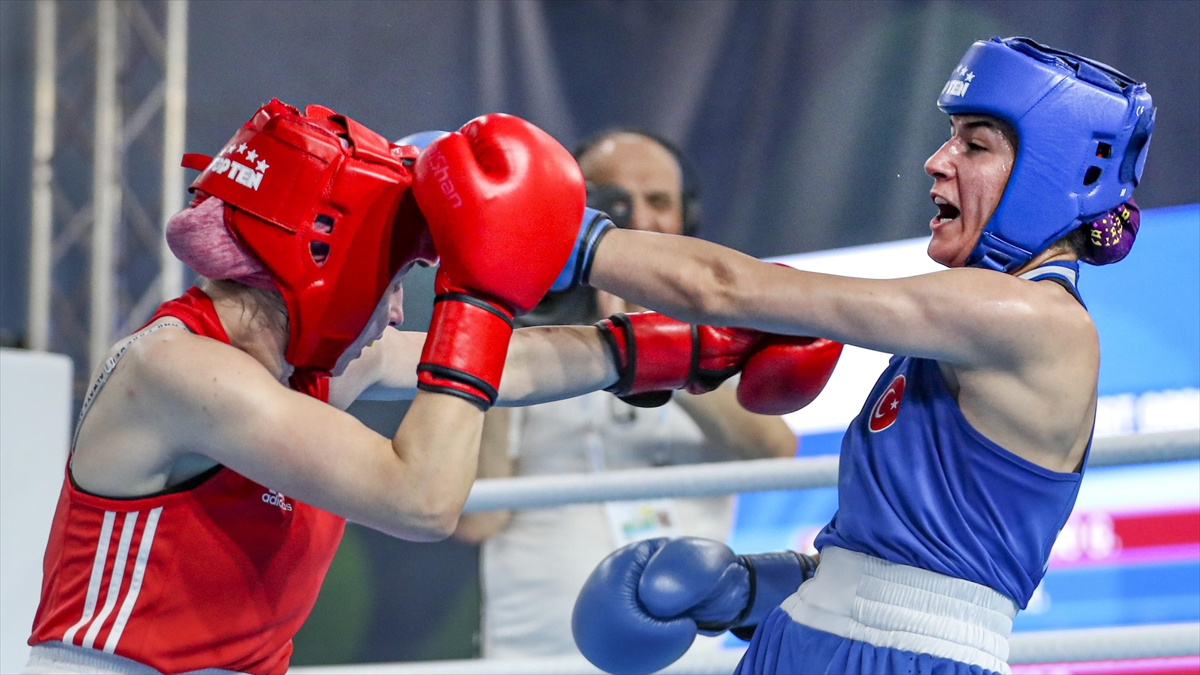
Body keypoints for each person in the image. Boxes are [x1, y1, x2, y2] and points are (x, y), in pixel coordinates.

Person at [563, 37, 1154, 675]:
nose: (936, 161)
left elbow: (728, 290)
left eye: (974, 145)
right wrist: (763, 587)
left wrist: (564, 238)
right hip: (805, 637)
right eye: (949, 136)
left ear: (1052, 173)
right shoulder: (967, 326)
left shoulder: (1033, 321)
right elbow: (903, 565)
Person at [23, 100, 590, 675]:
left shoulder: (310, 370)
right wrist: (478, 297)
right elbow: (422, 502)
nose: (397, 313)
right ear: (328, 260)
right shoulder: (179, 368)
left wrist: (663, 351)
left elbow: (511, 364)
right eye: (392, 281)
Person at [452, 130, 804, 659]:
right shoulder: (523, 326)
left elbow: (774, 450)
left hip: (689, 658)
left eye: (658, 201)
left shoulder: (723, 330)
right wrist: (504, 322)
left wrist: (651, 339)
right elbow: (477, 519)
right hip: (534, 658)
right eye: (611, 201)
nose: (638, 218)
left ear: (686, 216)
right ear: (572, 211)